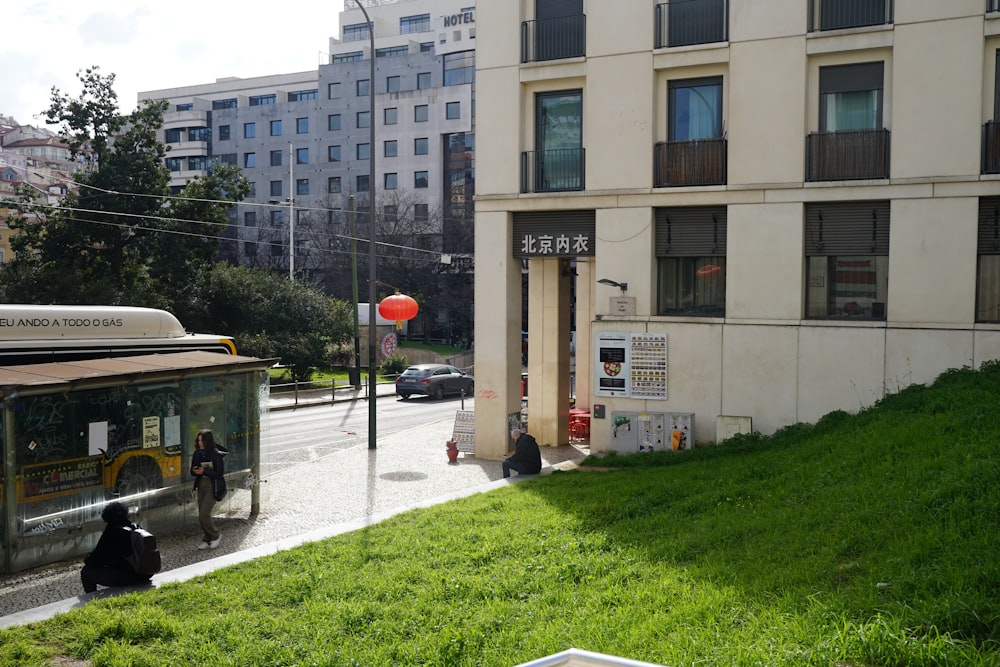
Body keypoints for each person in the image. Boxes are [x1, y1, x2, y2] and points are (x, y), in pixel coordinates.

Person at [80, 501, 153, 593]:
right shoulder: (135, 527)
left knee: (86, 572)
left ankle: (90, 598)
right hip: (146, 573)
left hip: (129, 576)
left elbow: (96, 559)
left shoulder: (112, 533)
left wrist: (87, 558)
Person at [190, 428, 225, 550]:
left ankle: (216, 535)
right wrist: (196, 471)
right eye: (198, 440)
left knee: (204, 515)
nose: (200, 443)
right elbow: (192, 471)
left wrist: (205, 471)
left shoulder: (215, 454)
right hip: (201, 485)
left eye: (202, 441)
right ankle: (207, 538)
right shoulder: (197, 453)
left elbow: (219, 473)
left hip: (212, 485)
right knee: (201, 515)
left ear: (208, 441)